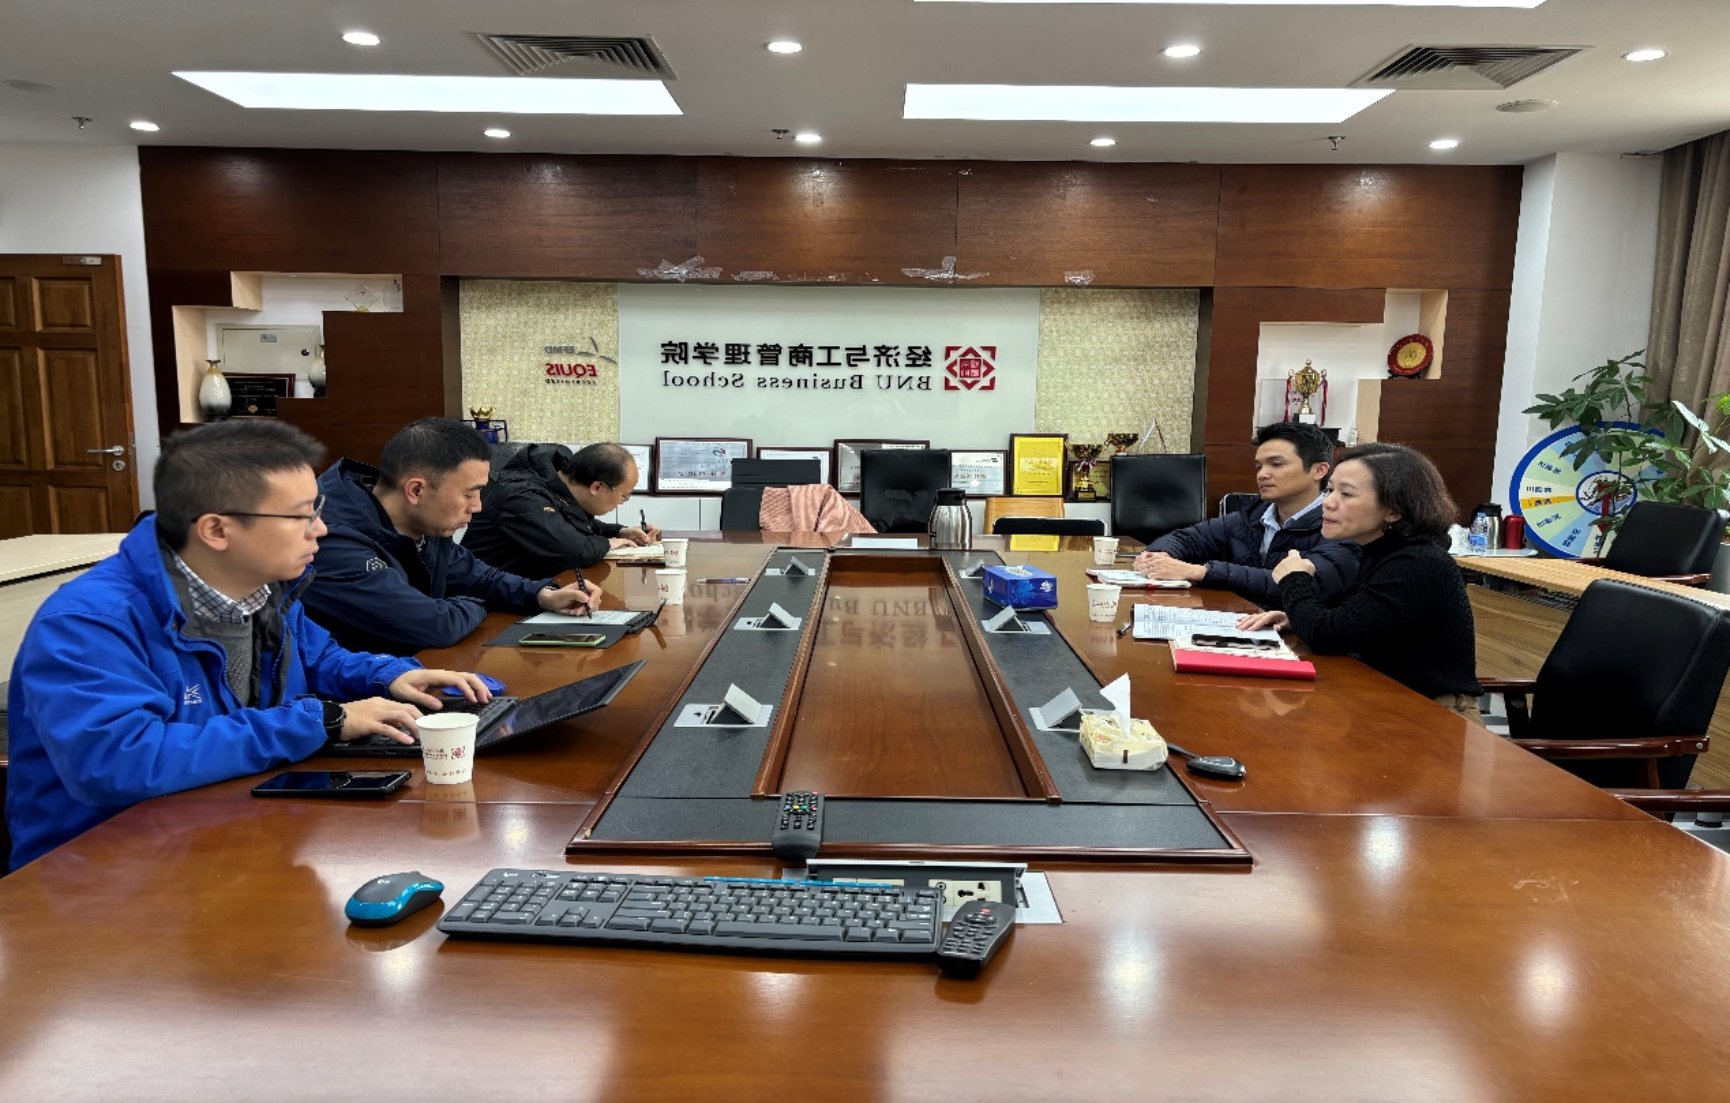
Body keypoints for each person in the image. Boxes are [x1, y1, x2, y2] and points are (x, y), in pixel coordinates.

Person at [5, 421, 493, 869]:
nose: (321, 529)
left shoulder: (263, 587)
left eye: (318, 509)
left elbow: (318, 657)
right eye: (301, 516)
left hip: (232, 836)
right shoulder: (89, 623)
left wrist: (389, 675)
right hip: (107, 871)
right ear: (217, 529)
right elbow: (117, 761)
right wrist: (321, 721)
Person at [304, 418, 602, 655]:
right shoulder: (331, 541)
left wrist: (542, 595)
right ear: (416, 490)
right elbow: (434, 625)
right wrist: (478, 603)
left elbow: (481, 578)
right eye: (469, 494)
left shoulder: (424, 522)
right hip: (352, 698)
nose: (477, 506)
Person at [1238, 442, 1482, 721]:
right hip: (1387, 702)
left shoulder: (1417, 562)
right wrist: (1295, 618)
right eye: (1330, 490)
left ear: (1394, 510)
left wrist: (1295, 578)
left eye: (1346, 494)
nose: (1328, 503)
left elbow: (1327, 636)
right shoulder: (1377, 551)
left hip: (1437, 714)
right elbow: (1350, 622)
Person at [1134, 422, 1360, 605]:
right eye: (1259, 467)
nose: (1263, 474)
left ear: (1319, 470)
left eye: (1276, 464)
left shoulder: (1341, 525)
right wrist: (1157, 557)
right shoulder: (1251, 516)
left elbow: (1304, 584)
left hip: (1300, 638)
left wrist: (1202, 572)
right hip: (1241, 624)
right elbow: (1185, 538)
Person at [461, 442, 660, 577]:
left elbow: (570, 522)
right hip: (482, 603)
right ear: (597, 487)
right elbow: (573, 550)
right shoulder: (523, 497)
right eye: (624, 496)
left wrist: (619, 531)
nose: (622, 502)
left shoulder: (557, 483)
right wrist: (607, 543)